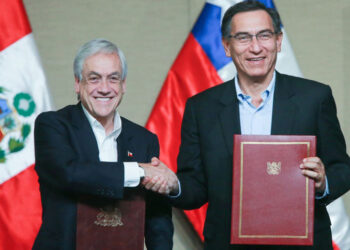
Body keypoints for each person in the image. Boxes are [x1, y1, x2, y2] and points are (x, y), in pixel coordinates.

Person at [146, 1, 350, 249]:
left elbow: (342, 168)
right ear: (227, 46)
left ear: (278, 40)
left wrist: (323, 182)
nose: (255, 47)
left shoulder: (314, 98)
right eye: (243, 37)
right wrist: (174, 184)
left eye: (264, 35)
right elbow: (196, 187)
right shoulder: (202, 108)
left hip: (302, 243)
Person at [33, 39, 173, 250]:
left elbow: (156, 217)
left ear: (123, 84)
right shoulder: (52, 125)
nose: (105, 88)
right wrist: (139, 171)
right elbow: (69, 173)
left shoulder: (144, 139)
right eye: (94, 79)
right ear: (78, 84)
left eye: (113, 78)